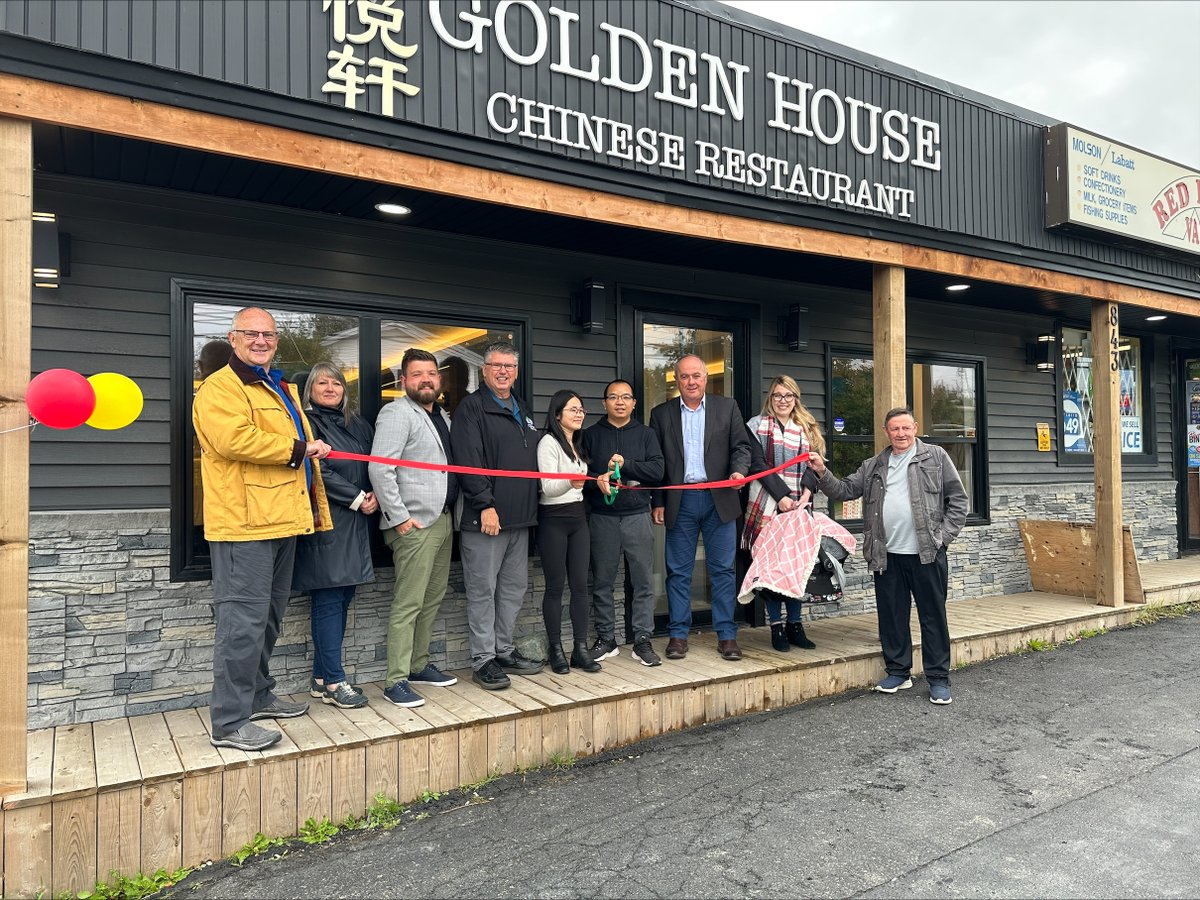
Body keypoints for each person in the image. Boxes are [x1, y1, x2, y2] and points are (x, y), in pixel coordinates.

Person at [192, 307, 332, 752]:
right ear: (232, 338)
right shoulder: (220, 388)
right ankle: (230, 722)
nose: (260, 340)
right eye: (250, 333)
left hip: (282, 518)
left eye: (268, 334)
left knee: (268, 617)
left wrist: (307, 450)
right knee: (241, 623)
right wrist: (298, 448)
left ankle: (256, 695)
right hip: (244, 523)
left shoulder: (275, 385)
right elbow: (233, 438)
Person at [809, 407, 968, 705]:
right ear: (886, 431)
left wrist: (943, 538)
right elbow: (844, 490)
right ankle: (898, 671)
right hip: (887, 555)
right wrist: (821, 471)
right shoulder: (874, 465)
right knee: (892, 617)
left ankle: (938, 679)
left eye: (906, 428)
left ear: (916, 428)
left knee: (932, 617)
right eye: (895, 429)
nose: (901, 433)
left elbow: (958, 500)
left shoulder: (935, 457)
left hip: (926, 554)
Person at [368, 348, 460, 709]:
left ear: (439, 380)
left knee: (431, 598)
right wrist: (400, 518)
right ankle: (396, 680)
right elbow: (380, 469)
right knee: (408, 603)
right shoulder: (395, 413)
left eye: (431, 374)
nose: (426, 379)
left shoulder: (441, 416)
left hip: (443, 520)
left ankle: (419, 665)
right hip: (415, 525)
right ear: (403, 380)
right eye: (417, 374)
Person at [451, 341, 544, 690]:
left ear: (516, 372)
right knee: (482, 591)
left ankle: (503, 650)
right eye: (496, 365)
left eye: (509, 366)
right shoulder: (471, 408)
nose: (503, 371)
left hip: (520, 519)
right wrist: (485, 504)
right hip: (486, 518)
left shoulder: (520, 407)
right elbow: (468, 460)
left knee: (513, 589)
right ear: (485, 369)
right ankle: (483, 659)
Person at [650, 355, 752, 661]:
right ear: (676, 380)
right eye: (684, 377)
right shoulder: (661, 414)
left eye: (696, 376)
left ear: (705, 378)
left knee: (722, 569)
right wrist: (657, 501)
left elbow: (741, 447)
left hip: (719, 498)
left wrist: (739, 471)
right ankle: (678, 634)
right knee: (678, 571)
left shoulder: (727, 407)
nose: (691, 382)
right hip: (679, 501)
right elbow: (657, 465)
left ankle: (727, 635)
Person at [291, 362, 377, 710]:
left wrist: (375, 495)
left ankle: (321, 677)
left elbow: (375, 463)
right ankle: (335, 681)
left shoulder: (356, 424)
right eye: (322, 383)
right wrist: (357, 498)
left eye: (336, 383)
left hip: (357, 524)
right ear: (310, 388)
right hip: (327, 521)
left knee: (342, 599)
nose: (330, 388)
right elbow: (315, 468)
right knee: (328, 600)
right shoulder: (306, 423)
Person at [582, 379, 665, 666]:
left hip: (637, 515)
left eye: (626, 397)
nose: (620, 402)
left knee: (643, 580)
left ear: (634, 403)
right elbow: (581, 475)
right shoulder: (590, 435)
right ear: (604, 402)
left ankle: (642, 639)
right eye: (613, 397)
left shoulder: (646, 434)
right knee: (602, 581)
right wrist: (598, 481)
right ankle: (606, 639)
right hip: (602, 517)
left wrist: (626, 464)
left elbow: (657, 470)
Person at [742, 375, 823, 651]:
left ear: (795, 398)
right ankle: (776, 627)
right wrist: (782, 497)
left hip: (801, 506)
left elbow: (815, 465)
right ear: (770, 398)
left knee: (796, 565)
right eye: (777, 395)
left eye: (788, 396)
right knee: (771, 568)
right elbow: (756, 463)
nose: (783, 401)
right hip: (768, 504)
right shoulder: (756, 426)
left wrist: (807, 494)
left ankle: (795, 625)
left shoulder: (807, 428)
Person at [537, 390, 600, 674]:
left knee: (580, 587)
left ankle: (580, 649)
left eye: (581, 409)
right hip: (553, 519)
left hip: (578, 520)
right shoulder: (548, 443)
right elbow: (549, 487)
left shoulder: (579, 444)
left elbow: (580, 482)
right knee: (554, 587)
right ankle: (556, 650)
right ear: (557, 413)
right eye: (573, 409)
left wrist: (596, 480)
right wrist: (571, 482)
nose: (579, 413)